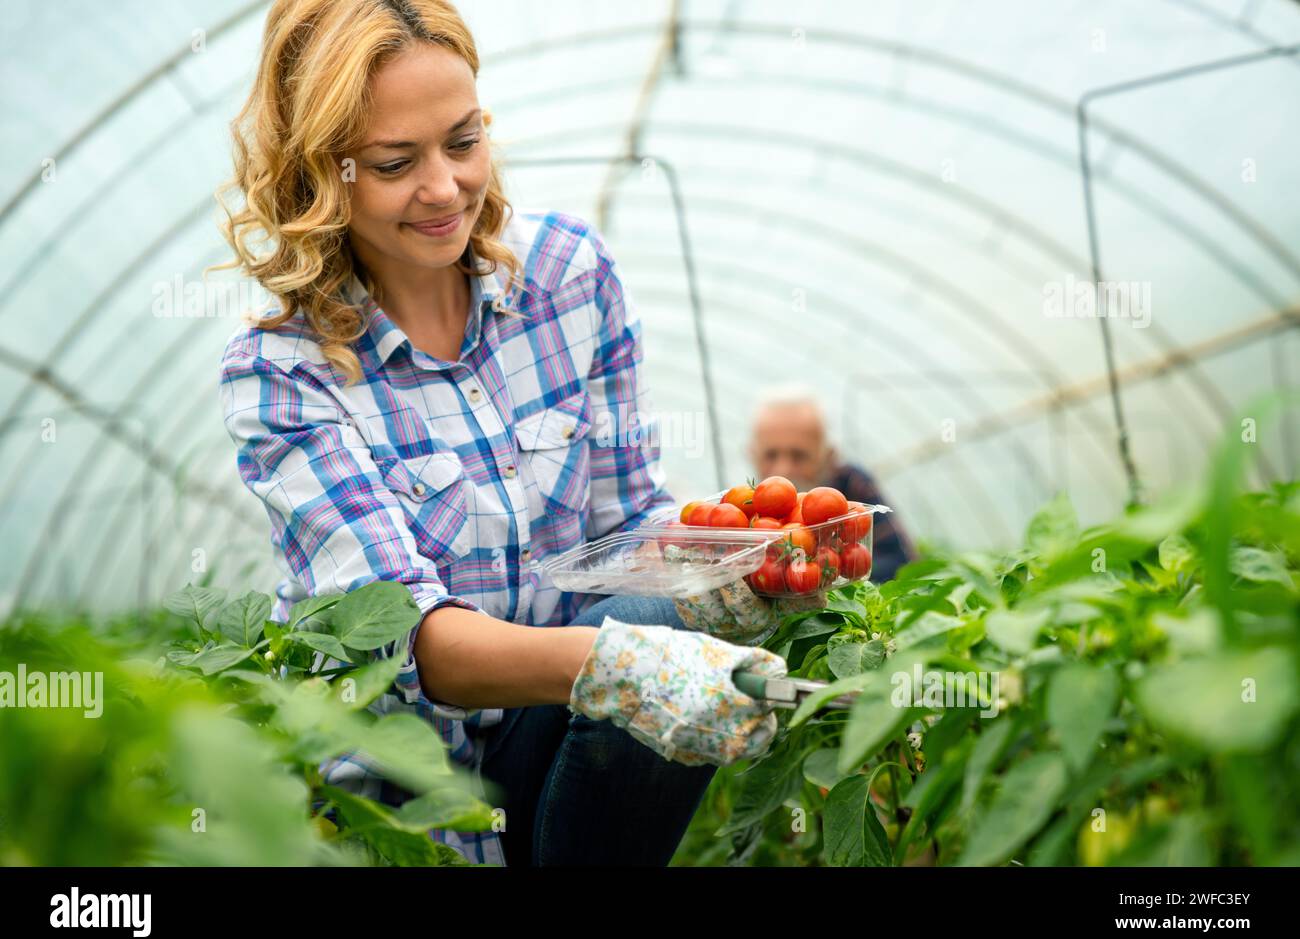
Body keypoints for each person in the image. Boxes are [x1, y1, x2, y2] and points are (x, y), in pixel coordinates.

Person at [214, 0, 785, 867]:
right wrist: (619, 664)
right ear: (322, 177)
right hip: (414, 801)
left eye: (464, 140)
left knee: (660, 608)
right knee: (645, 631)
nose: (444, 188)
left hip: (559, 743)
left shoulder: (570, 279)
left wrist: (742, 559)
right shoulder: (285, 372)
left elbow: (626, 526)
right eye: (395, 162)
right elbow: (411, 637)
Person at [748, 385, 918, 581]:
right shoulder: (746, 506)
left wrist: (833, 577)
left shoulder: (852, 486)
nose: (783, 470)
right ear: (752, 455)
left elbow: (899, 562)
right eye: (770, 455)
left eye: (799, 455)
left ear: (829, 456)